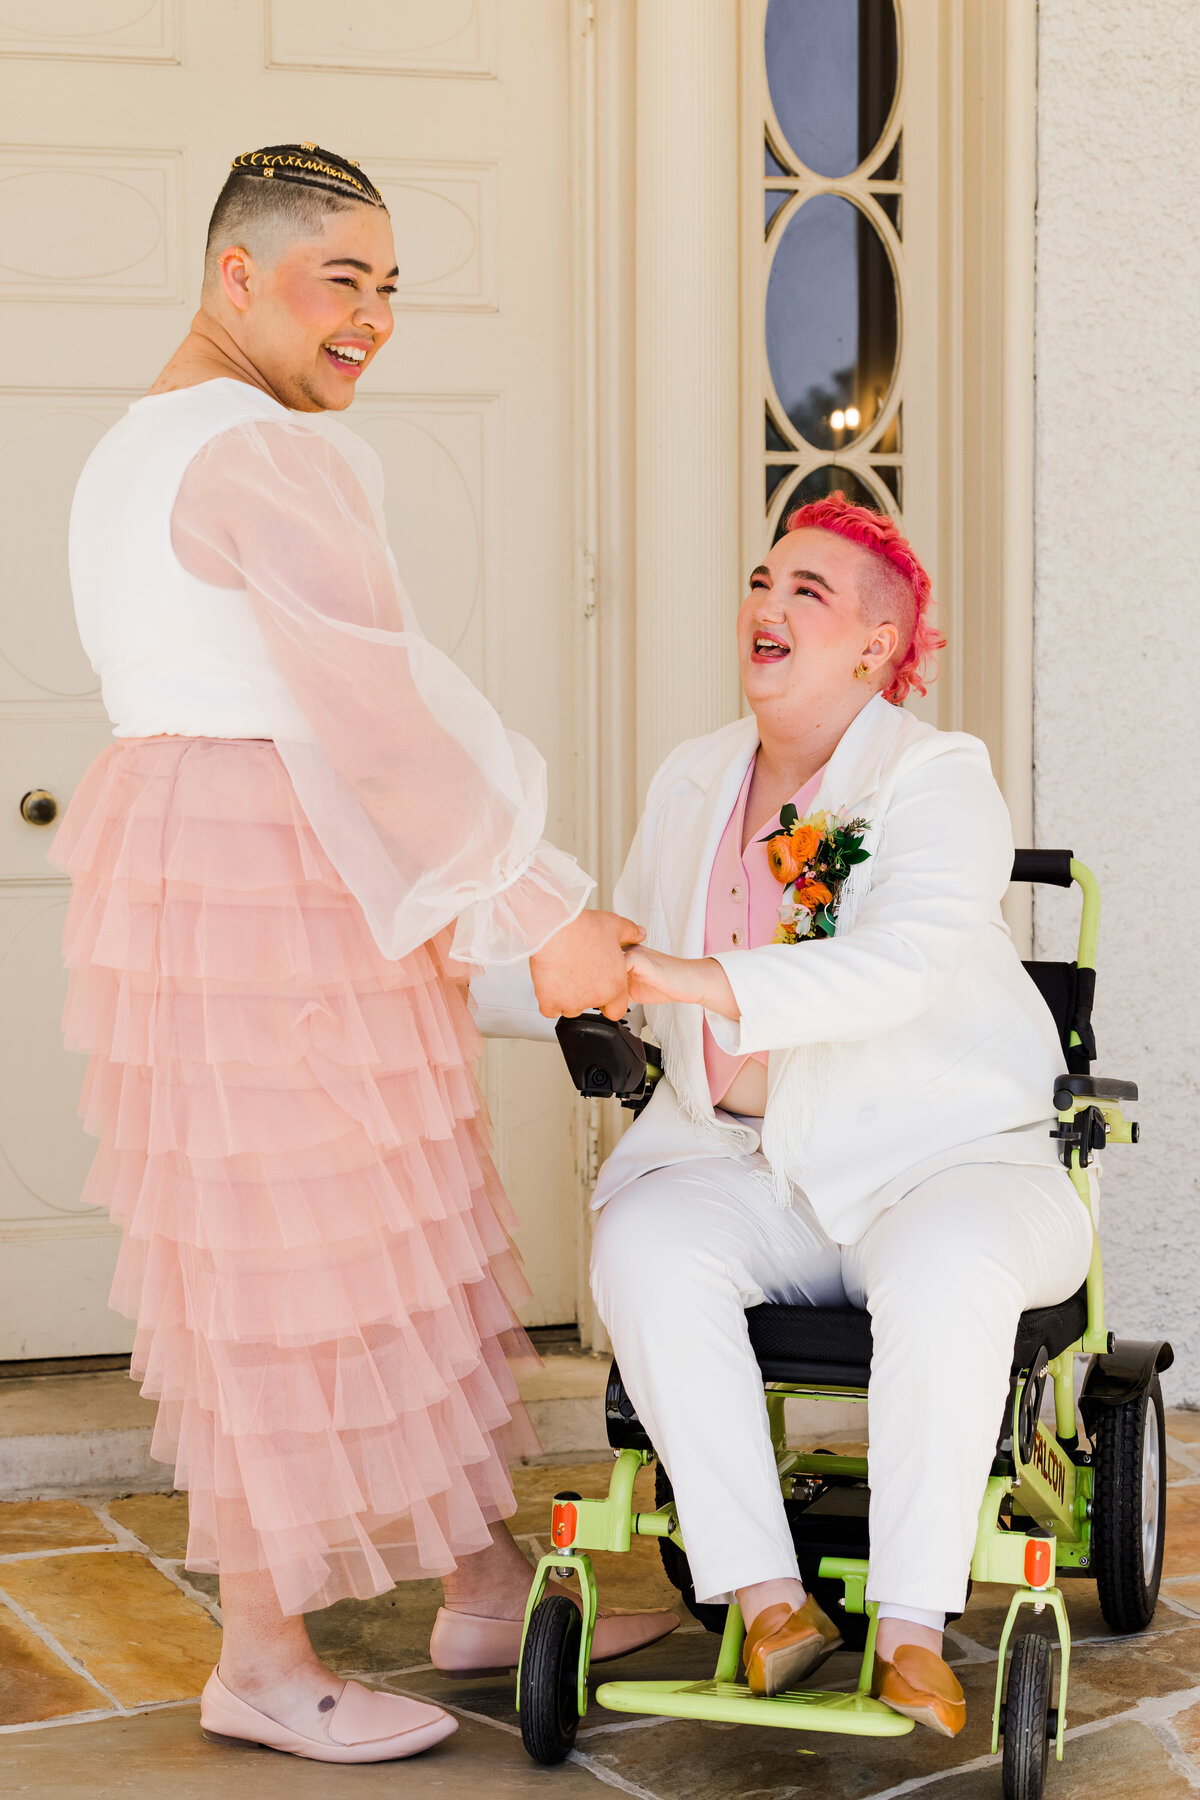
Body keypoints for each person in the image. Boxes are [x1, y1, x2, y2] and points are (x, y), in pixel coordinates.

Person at [54, 143, 674, 1766]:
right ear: (235, 276)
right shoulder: (257, 454)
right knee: (290, 1251)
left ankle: (482, 1576)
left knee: (387, 1218)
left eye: (394, 285)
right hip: (275, 855)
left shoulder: (134, 446)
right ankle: (262, 1659)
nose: (378, 319)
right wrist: (543, 909)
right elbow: (379, 716)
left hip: (225, 853)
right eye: (346, 280)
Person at [589, 495, 1093, 1737]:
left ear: (876, 646)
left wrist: (690, 979)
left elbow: (901, 965)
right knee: (642, 1248)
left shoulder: (934, 776)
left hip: (949, 1161)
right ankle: (770, 1604)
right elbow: (617, 949)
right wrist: (466, 966)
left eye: (806, 593)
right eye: (763, 582)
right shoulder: (693, 775)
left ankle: (915, 1628)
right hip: (750, 1158)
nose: (766, 606)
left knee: (945, 1268)